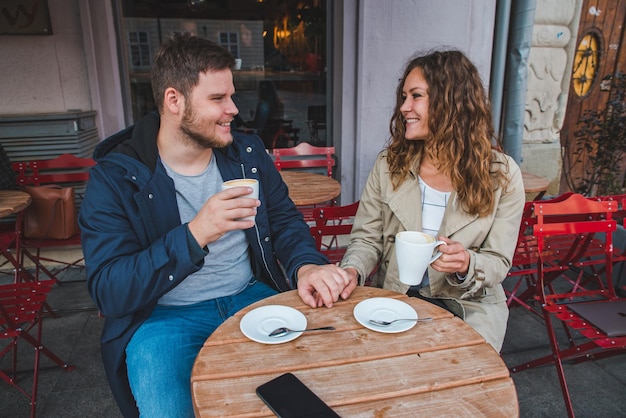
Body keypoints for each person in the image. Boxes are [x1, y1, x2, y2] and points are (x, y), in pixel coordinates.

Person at [79, 34, 354, 418]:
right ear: (174, 101)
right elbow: (110, 291)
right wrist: (196, 234)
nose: (234, 110)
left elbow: (285, 220)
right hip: (163, 317)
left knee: (317, 396)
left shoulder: (246, 153)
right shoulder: (117, 177)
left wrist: (305, 264)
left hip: (249, 295)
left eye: (232, 96)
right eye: (218, 99)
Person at [340, 50, 525, 352]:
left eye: (416, 96)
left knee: (458, 384)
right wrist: (352, 271)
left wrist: (467, 263)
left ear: (451, 102)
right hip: (397, 298)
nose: (404, 107)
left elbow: (498, 262)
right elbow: (366, 240)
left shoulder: (500, 175)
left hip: (468, 306)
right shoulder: (389, 164)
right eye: (403, 97)